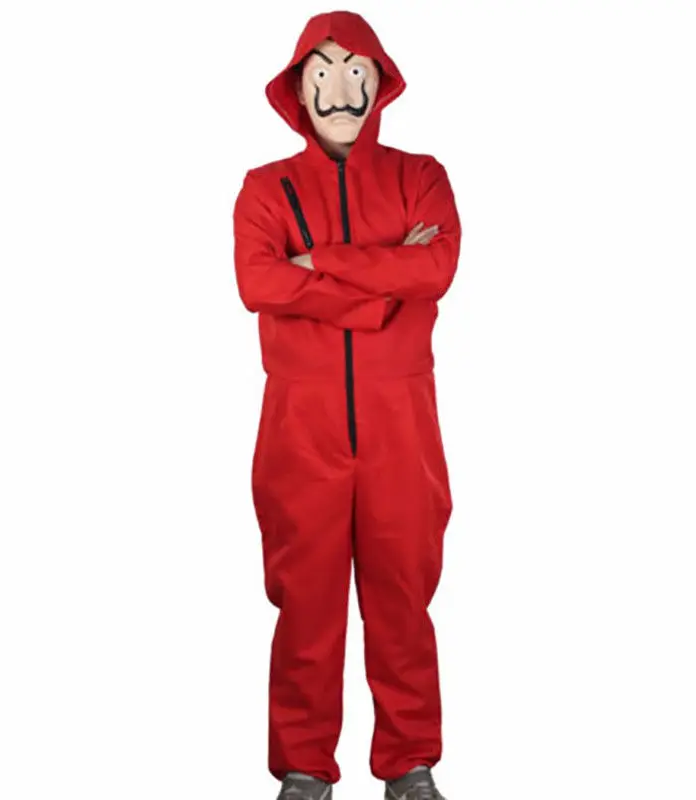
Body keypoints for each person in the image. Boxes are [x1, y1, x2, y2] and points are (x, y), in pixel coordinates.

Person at [232, 10, 461, 800]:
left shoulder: (420, 177)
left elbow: (435, 270)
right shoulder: (265, 189)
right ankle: (304, 770)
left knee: (404, 595)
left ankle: (409, 764)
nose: (340, 87)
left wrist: (319, 264)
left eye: (357, 69)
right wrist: (378, 285)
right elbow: (257, 282)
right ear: (298, 88)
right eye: (323, 71)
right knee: (306, 600)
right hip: (301, 423)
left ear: (380, 83)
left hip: (403, 424)